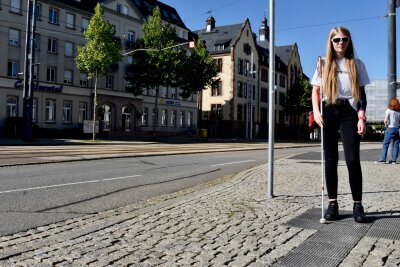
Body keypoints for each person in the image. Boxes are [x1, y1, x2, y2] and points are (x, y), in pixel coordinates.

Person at [311, 26, 370, 223]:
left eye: (344, 39)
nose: (340, 43)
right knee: (330, 159)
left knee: (352, 159)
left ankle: (357, 204)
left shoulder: (357, 64)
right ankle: (333, 203)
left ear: (349, 41)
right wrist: (317, 112)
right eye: (336, 40)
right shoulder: (323, 64)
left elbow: (361, 95)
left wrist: (361, 117)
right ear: (331, 42)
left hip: (349, 112)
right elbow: (316, 92)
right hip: (329, 109)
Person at [377, 97, 400, 164]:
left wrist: (386, 125)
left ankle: (383, 159)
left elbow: (385, 120)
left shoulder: (388, 110)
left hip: (390, 128)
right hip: (397, 129)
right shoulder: (398, 112)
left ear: (391, 103)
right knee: (396, 145)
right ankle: (394, 161)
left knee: (385, 144)